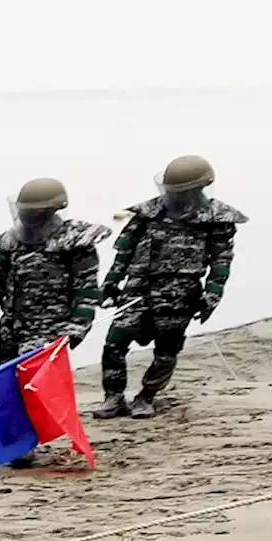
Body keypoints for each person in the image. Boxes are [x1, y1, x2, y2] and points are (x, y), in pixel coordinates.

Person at [0, 177, 111, 464]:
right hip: (13, 325)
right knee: (6, 384)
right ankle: (10, 441)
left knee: (29, 384)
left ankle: (25, 446)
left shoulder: (75, 243)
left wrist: (78, 325)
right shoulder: (10, 243)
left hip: (49, 327)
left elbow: (87, 288)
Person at [93, 155, 248, 420]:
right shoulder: (148, 214)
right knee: (115, 343)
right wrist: (110, 283)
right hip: (138, 289)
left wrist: (212, 296)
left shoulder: (217, 219)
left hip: (181, 294)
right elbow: (124, 251)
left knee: (167, 351)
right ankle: (114, 397)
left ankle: (146, 397)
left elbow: (221, 261)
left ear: (199, 188)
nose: (176, 196)